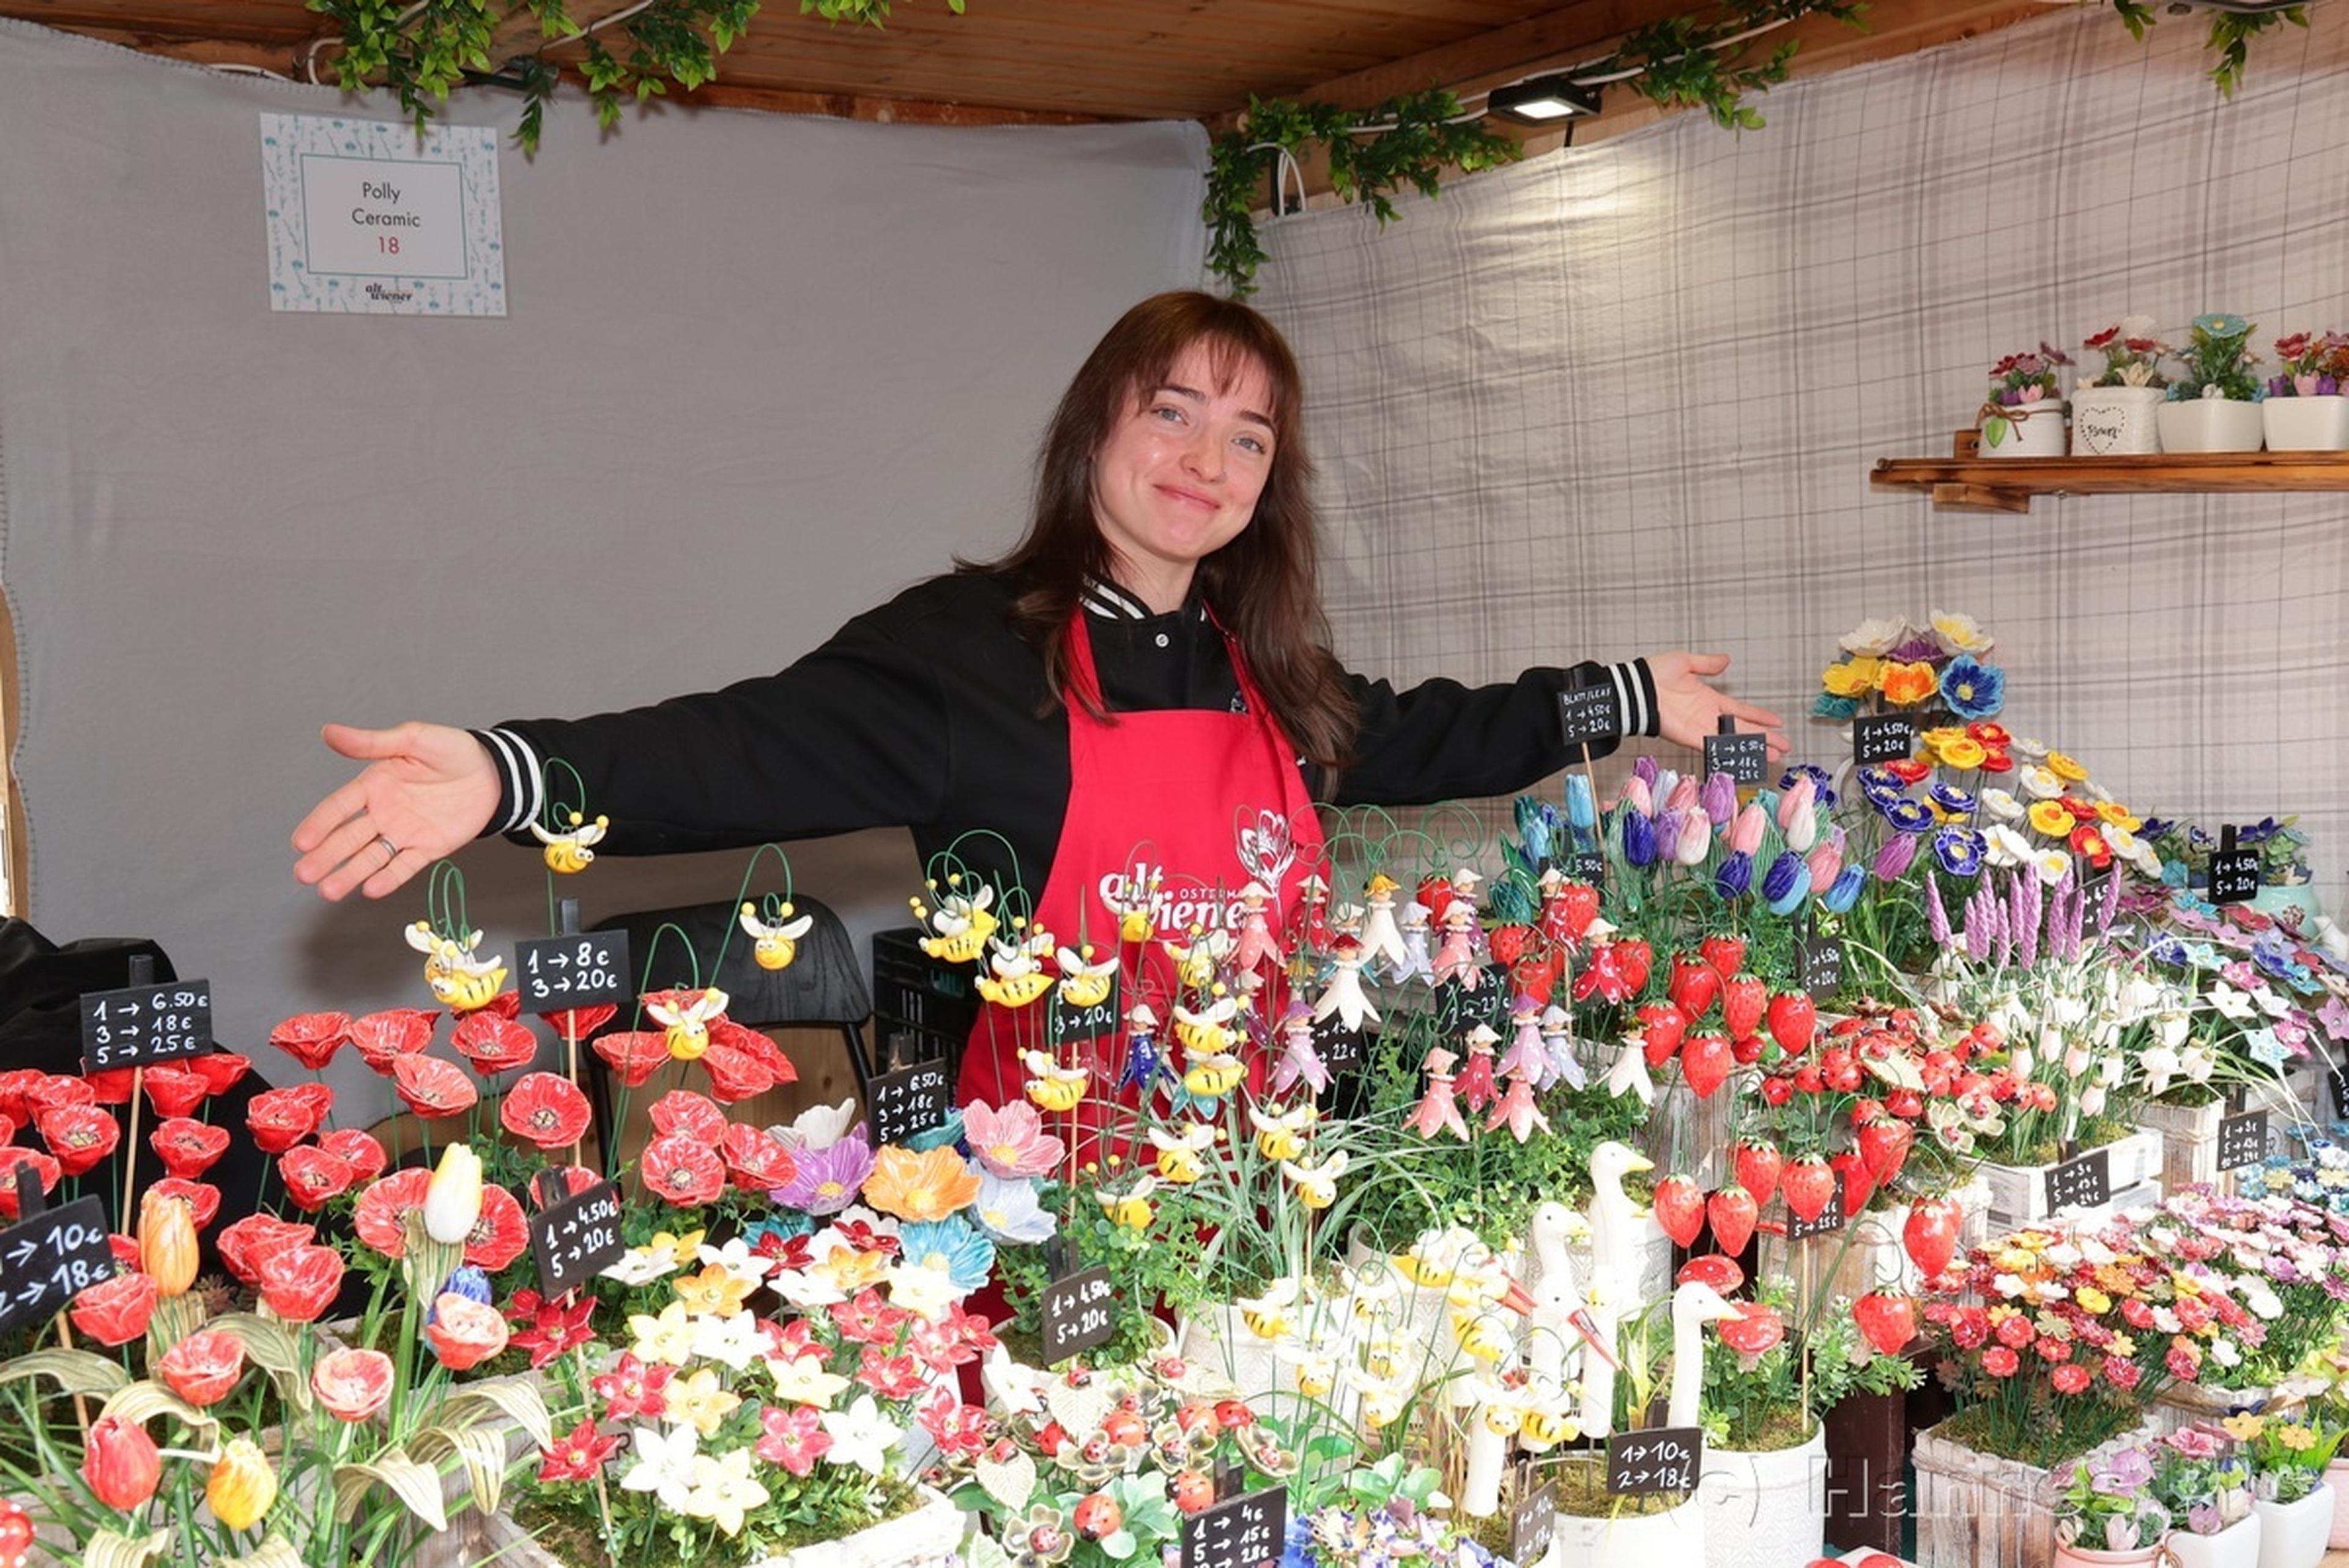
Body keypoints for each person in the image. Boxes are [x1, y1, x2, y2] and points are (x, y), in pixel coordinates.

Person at [293, 291, 1785, 1105]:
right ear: (1097, 435)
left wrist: (1637, 690)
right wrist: (506, 777)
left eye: (1250, 438)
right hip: (1037, 1197)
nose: (1209, 460)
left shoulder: (1267, 673)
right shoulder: (969, 652)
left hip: (1273, 1167)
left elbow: (1430, 734)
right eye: (1173, 413)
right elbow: (742, 749)